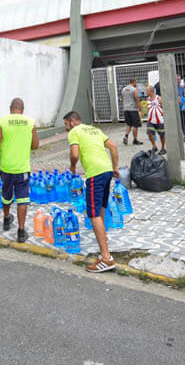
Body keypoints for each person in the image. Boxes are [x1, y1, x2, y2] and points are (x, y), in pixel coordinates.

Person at [64, 111, 119, 273]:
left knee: (93, 213)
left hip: (95, 173)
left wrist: (73, 166)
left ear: (73, 122)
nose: (67, 128)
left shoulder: (75, 132)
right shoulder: (94, 129)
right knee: (100, 208)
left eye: (67, 124)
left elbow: (74, 153)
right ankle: (104, 242)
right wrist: (115, 168)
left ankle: (106, 258)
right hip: (107, 170)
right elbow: (113, 147)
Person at [0, 98, 39, 243]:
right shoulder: (30, 122)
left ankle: (6, 220)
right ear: (22, 109)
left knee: (6, 195)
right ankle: (21, 231)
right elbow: (36, 145)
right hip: (22, 168)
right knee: (22, 198)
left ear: (10, 108)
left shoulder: (2, 121)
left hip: (6, 167)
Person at [120, 79, 143, 146]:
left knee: (129, 124)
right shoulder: (134, 89)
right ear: (134, 82)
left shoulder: (124, 89)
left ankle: (126, 136)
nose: (136, 84)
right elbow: (137, 100)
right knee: (135, 125)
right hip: (133, 110)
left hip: (126, 109)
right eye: (136, 82)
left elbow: (123, 98)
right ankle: (135, 140)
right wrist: (140, 110)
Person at [145, 84, 166, 155]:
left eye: (147, 91)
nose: (146, 92)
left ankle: (163, 148)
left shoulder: (159, 98)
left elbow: (164, 107)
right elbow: (148, 108)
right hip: (151, 120)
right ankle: (154, 146)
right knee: (150, 133)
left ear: (151, 91)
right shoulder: (147, 99)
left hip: (160, 120)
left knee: (162, 135)